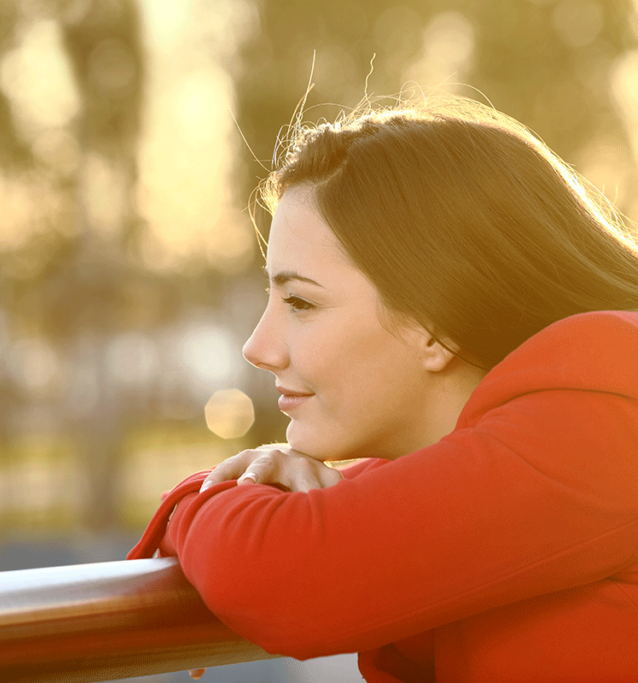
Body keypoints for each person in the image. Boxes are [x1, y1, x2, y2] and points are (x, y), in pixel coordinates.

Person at [128, 95, 638, 682]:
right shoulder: (526, 452)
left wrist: (207, 499)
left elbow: (283, 577)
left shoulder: (603, 423)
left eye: (300, 302)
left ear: (437, 320)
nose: (258, 347)